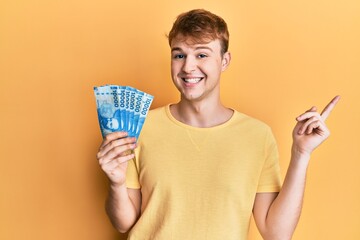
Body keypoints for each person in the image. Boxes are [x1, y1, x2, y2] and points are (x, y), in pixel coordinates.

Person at [96, 9, 340, 240]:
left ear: (224, 61)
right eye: (179, 55)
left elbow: (276, 233)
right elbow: (124, 223)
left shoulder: (257, 136)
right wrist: (116, 183)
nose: (188, 67)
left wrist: (301, 154)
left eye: (202, 54)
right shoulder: (141, 128)